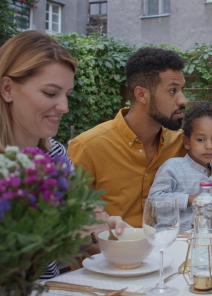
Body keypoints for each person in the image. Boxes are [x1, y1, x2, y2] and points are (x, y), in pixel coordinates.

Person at [0, 31, 126, 293]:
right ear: (7, 89)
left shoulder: (54, 153)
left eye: (67, 94)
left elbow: (58, 252)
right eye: (50, 93)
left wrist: (100, 231)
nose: (64, 106)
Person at [68, 47, 188, 228]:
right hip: (109, 255)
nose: (183, 100)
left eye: (181, 89)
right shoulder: (88, 148)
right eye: (173, 90)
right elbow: (72, 223)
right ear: (141, 94)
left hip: (169, 251)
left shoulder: (181, 144)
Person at [149, 101, 212, 231]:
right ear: (186, 142)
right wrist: (191, 199)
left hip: (204, 241)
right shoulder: (173, 167)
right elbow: (154, 201)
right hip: (172, 241)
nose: (209, 146)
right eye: (200, 139)